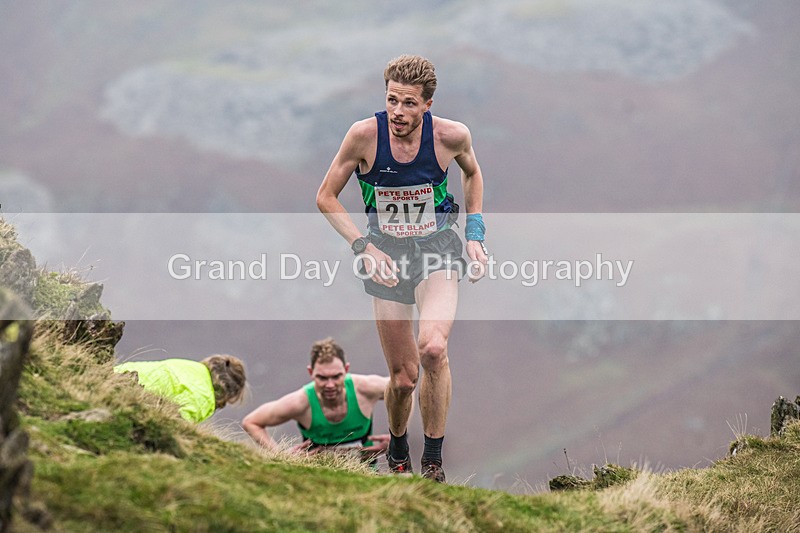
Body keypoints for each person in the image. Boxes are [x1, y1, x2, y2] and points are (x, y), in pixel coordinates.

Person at [316, 55, 488, 482]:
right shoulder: (363, 136)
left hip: (437, 250)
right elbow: (326, 196)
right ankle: (397, 446)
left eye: (409, 103)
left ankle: (432, 461)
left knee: (433, 350)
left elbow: (472, 173)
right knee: (404, 378)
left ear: (427, 104)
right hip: (386, 257)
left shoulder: (451, 136)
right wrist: (363, 247)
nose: (397, 111)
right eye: (392, 100)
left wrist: (475, 233)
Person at [242, 338, 390, 461]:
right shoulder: (300, 402)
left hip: (367, 476)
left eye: (336, 376)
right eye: (322, 378)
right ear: (311, 372)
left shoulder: (366, 388)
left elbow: (401, 387)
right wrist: (281, 455)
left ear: (346, 370)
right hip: (318, 478)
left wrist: (396, 439)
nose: (330, 385)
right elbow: (251, 422)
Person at [114, 354, 247, 423]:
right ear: (228, 393)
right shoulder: (205, 398)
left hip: (114, 375)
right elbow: (177, 423)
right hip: (127, 395)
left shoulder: (189, 365)